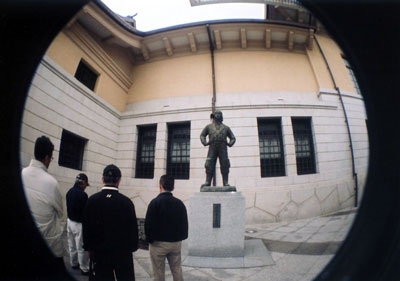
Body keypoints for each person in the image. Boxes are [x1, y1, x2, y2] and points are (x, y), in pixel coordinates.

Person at [83, 164, 138, 281]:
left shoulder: (92, 201)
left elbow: (86, 228)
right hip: (122, 254)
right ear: (119, 181)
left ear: (102, 179)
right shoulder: (127, 203)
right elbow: (133, 230)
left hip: (100, 253)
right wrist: (132, 248)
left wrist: (89, 248)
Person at [21, 135, 65, 259]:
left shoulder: (22, 173)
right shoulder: (52, 183)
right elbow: (61, 214)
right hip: (47, 242)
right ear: (46, 158)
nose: (50, 161)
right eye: (51, 158)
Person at [145, 175, 188, 281]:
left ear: (160, 185)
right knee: (177, 270)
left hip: (158, 244)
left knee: (158, 274)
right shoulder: (179, 203)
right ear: (172, 187)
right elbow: (184, 224)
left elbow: (148, 225)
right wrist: (180, 239)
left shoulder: (154, 203)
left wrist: (150, 240)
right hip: (175, 244)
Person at [200, 110, 236, 186]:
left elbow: (233, 138)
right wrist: (205, 142)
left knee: (225, 164)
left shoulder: (226, 128)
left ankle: (225, 182)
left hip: (223, 148)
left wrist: (229, 144)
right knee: (209, 164)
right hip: (212, 147)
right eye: (216, 114)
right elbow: (202, 135)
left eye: (219, 114)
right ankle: (208, 182)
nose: (217, 116)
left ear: (221, 116)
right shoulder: (209, 127)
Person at [66, 173, 90, 275]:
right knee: (81, 248)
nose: (85, 187)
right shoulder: (83, 195)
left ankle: (73, 263)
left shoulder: (69, 192)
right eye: (85, 185)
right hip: (79, 224)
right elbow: (85, 212)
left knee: (72, 245)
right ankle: (84, 268)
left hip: (69, 222)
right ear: (83, 183)